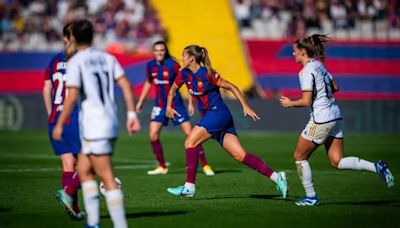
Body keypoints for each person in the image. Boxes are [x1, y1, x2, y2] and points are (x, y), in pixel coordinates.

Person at [280, 34, 395, 206]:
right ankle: (377, 167)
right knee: (337, 161)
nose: (293, 54)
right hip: (335, 114)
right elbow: (336, 87)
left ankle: (311, 197)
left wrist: (290, 104)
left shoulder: (305, 71)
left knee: (299, 156)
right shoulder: (319, 66)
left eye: (294, 51)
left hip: (322, 119)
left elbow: (305, 101)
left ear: (303, 52)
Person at [165, 45, 288, 198]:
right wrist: (168, 107)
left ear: (191, 58)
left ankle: (189, 187)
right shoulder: (184, 74)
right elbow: (172, 90)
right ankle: (277, 177)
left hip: (218, 113)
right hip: (213, 118)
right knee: (240, 155)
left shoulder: (208, 74)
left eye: (184, 55)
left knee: (190, 142)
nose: (181, 58)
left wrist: (246, 106)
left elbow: (232, 87)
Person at [52, 19, 141, 228]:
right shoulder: (107, 58)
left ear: (73, 38)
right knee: (84, 171)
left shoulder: (77, 61)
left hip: (95, 125)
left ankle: (120, 225)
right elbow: (126, 84)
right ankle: (92, 223)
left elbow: (72, 96)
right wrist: (131, 115)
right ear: (92, 36)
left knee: (107, 177)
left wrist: (59, 123)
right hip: (109, 121)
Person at [136, 41, 215, 176]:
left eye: (161, 50)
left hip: (177, 105)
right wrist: (140, 101)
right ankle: (162, 166)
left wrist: (190, 102)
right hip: (160, 105)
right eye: (156, 50)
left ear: (165, 51)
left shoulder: (172, 65)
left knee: (191, 135)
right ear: (153, 52)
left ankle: (206, 165)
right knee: (153, 135)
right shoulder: (151, 65)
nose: (159, 53)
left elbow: (187, 80)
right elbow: (149, 82)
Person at [42, 22, 84, 220]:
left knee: (69, 164)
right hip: (74, 117)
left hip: (55, 118)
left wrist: (52, 113)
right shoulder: (81, 59)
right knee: (91, 162)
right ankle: (68, 192)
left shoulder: (54, 60)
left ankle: (73, 208)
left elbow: (46, 87)